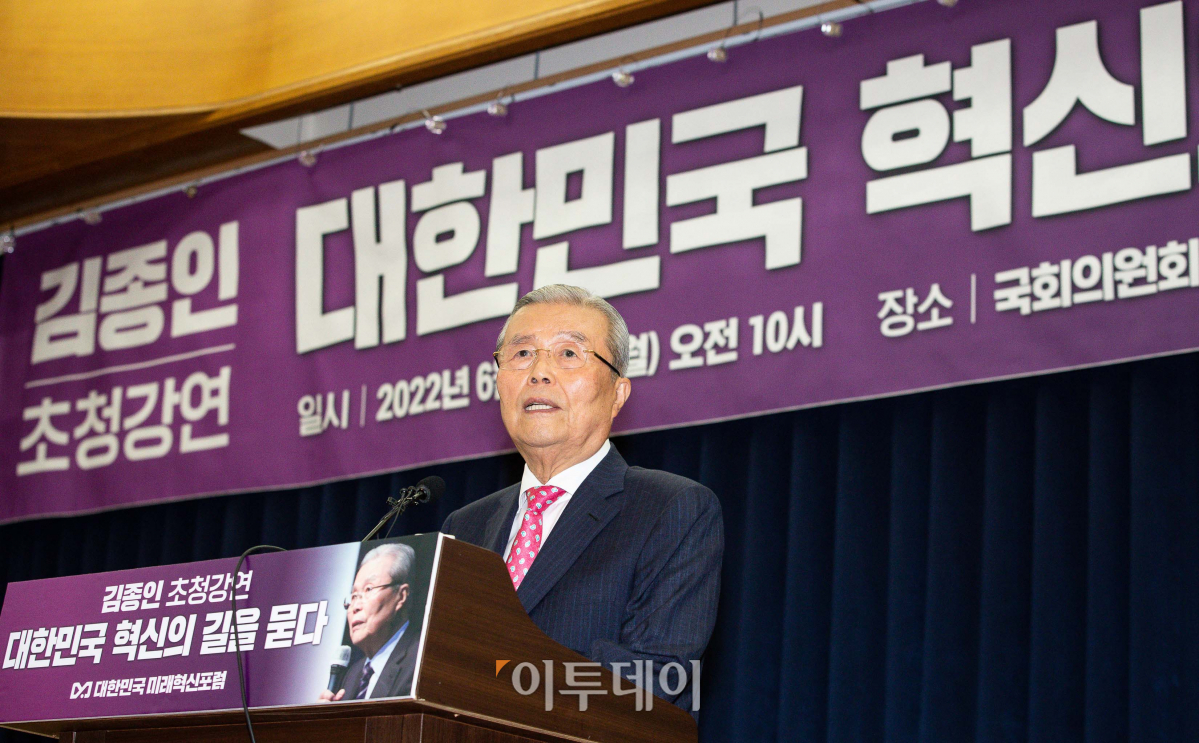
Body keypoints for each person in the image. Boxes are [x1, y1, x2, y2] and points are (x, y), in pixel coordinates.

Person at [440, 284, 723, 714]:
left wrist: (495, 676)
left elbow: (657, 676)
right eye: (522, 354)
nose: (539, 372)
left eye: (568, 354)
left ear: (617, 394)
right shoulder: (464, 527)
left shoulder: (672, 508)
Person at [320, 542, 419, 701]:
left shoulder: (420, 661)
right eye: (353, 596)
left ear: (401, 596)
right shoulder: (353, 675)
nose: (355, 607)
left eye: (368, 589)